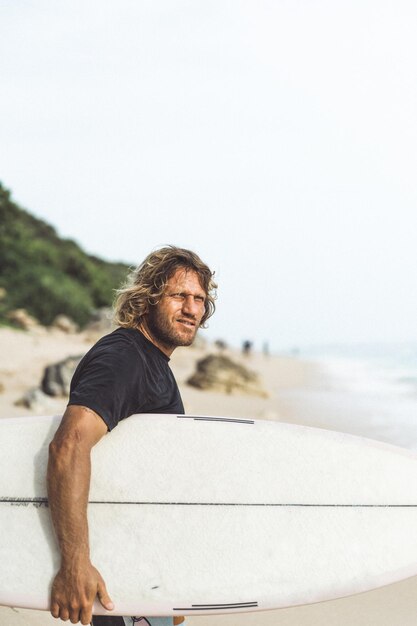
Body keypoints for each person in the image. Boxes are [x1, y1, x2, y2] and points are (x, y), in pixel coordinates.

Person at [47, 246, 217, 626]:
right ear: (148, 298)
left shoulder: (152, 360)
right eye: (178, 296)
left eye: (199, 299)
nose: (191, 309)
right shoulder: (125, 358)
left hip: (139, 576)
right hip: (113, 578)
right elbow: (69, 445)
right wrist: (75, 565)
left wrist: (167, 588)